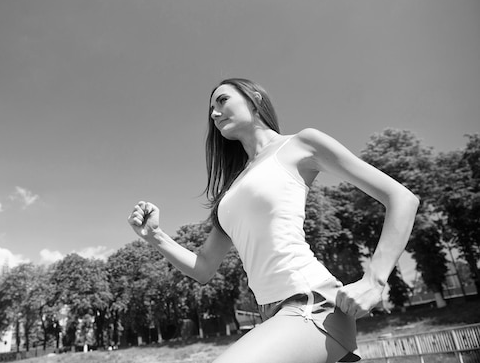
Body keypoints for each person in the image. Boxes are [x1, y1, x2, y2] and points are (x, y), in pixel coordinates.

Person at [127, 78, 419, 363]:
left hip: (310, 303)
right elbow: (203, 267)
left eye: (222, 100)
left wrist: (374, 280)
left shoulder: (300, 144)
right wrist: (155, 236)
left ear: (255, 98)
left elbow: (401, 198)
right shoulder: (230, 190)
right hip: (270, 317)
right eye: (210, 110)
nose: (214, 113)